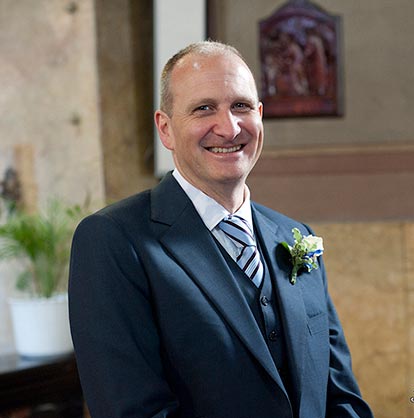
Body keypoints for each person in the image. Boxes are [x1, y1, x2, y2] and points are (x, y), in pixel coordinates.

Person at [68, 40, 373, 418]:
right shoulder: (114, 240)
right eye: (204, 108)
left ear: (260, 116)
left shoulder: (295, 235)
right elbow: (132, 411)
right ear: (165, 129)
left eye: (241, 106)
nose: (229, 128)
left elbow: (341, 397)